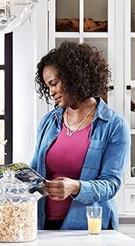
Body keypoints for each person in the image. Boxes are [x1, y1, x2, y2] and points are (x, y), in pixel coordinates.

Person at [30, 42, 129, 231]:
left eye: (54, 84)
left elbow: (111, 184)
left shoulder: (114, 125)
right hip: (44, 225)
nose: (51, 92)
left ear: (74, 77)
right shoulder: (49, 122)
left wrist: (76, 187)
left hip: (89, 227)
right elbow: (36, 171)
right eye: (47, 86)